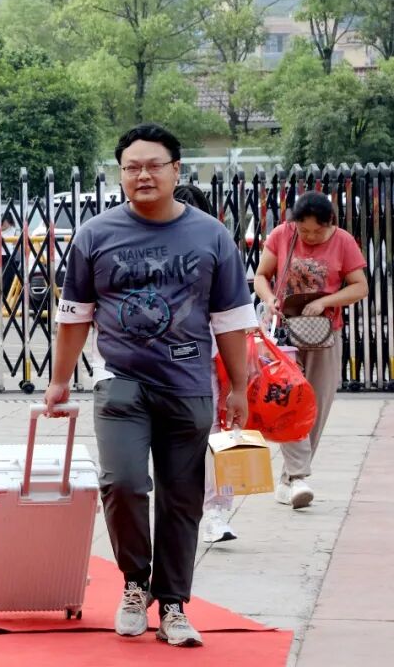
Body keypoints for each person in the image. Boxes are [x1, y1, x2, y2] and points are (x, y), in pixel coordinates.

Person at [45, 124, 255, 648]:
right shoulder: (95, 235)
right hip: (120, 383)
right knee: (123, 484)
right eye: (132, 167)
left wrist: (238, 387)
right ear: (120, 174)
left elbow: (232, 319)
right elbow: (74, 315)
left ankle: (175, 603)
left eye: (154, 165)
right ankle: (135, 583)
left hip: (188, 385)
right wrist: (60, 380)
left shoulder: (211, 235)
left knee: (182, 499)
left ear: (175, 170)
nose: (143, 175)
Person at [253, 190, 367, 509]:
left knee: (315, 406)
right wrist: (269, 299)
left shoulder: (343, 241)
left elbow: (360, 287)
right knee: (288, 400)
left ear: (330, 223)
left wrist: (325, 301)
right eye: (304, 230)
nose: (310, 237)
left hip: (324, 335)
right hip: (285, 333)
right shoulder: (282, 235)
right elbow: (261, 276)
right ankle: (299, 476)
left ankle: (290, 480)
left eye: (317, 231)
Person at [172, 185, 238, 544]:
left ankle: (216, 512)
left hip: (206, 359)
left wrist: (237, 381)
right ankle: (185, 512)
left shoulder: (217, 248)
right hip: (158, 363)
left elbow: (233, 312)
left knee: (216, 435)